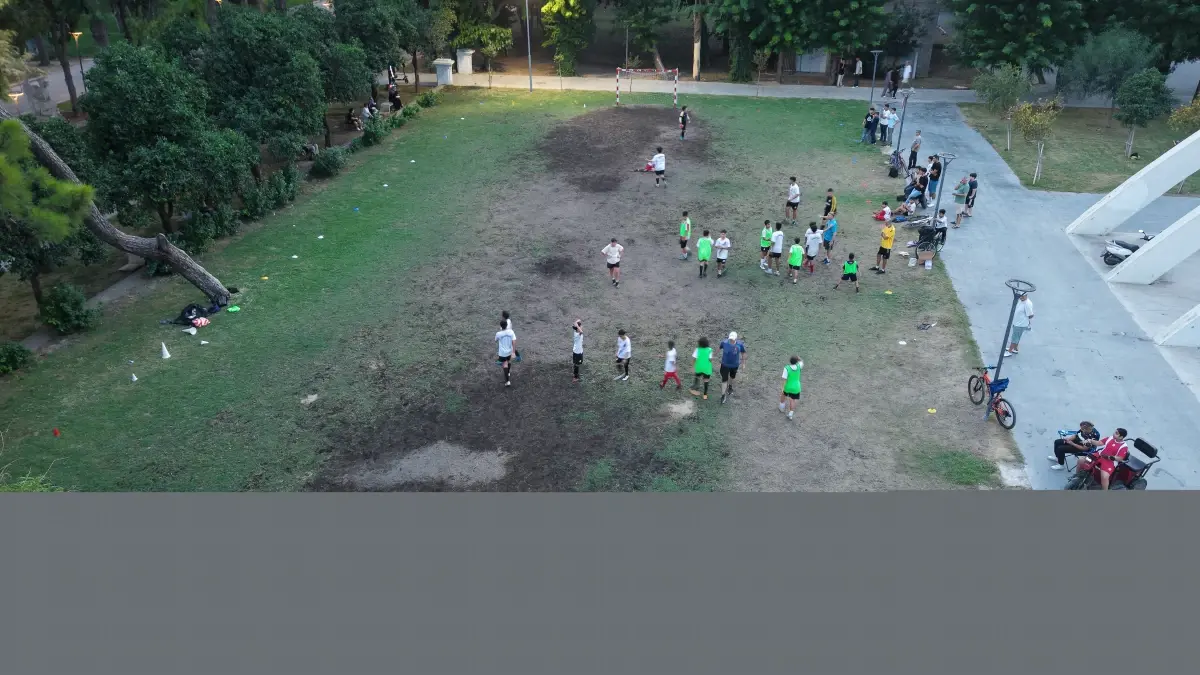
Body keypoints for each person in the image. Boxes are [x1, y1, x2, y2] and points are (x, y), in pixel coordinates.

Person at [717, 332, 746, 404]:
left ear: (736, 339)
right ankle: (723, 395)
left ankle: (730, 386)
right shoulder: (724, 343)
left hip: (734, 365)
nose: (731, 340)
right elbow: (719, 348)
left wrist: (743, 363)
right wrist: (714, 355)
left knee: (732, 377)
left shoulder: (740, 345)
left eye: (733, 339)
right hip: (725, 365)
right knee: (724, 379)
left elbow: (743, 353)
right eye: (730, 339)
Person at [1005, 292, 1034, 356]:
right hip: (1017, 322)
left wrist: (1027, 322)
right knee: (1017, 337)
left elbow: (1031, 315)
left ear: (1026, 295)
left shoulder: (1027, 304)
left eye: (1022, 296)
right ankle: (1015, 349)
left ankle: (1009, 351)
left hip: (1020, 324)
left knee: (1014, 338)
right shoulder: (1021, 301)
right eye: (1020, 296)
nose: (1021, 297)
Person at [778, 356, 803, 421]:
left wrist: (783, 388)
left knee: (783, 395)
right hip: (796, 387)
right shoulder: (799, 366)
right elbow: (801, 361)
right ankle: (790, 414)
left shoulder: (786, 368)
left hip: (788, 386)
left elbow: (784, 379)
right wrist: (799, 358)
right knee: (792, 400)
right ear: (796, 361)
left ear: (790, 361)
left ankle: (781, 407)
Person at [495, 320, 516, 387]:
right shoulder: (511, 332)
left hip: (502, 353)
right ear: (507, 325)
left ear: (501, 326)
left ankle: (507, 381)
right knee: (509, 361)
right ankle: (508, 373)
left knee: (505, 365)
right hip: (509, 352)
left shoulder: (498, 333)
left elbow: (495, 340)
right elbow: (514, 341)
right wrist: (513, 352)